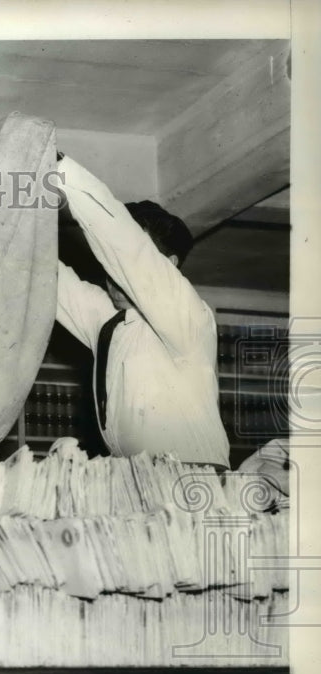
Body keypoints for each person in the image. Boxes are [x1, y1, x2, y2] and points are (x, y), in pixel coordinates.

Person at [54, 154, 230, 469]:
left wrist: (61, 169)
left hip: (193, 479)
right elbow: (43, 276)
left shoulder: (188, 320)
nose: (114, 274)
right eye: (109, 264)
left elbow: (126, 247)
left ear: (170, 266)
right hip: (132, 486)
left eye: (121, 266)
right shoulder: (107, 322)